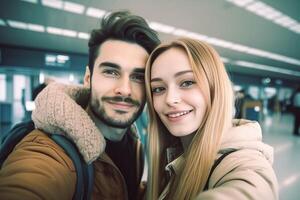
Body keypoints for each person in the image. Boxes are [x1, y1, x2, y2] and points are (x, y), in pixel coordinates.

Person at [0, 11, 159, 199]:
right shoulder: (50, 151)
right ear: (88, 78)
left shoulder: (135, 146)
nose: (125, 90)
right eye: (111, 72)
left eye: (138, 77)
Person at [144, 38, 278, 199]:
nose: (170, 99)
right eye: (158, 88)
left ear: (215, 88)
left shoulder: (242, 161)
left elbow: (250, 189)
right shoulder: (174, 153)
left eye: (187, 82)